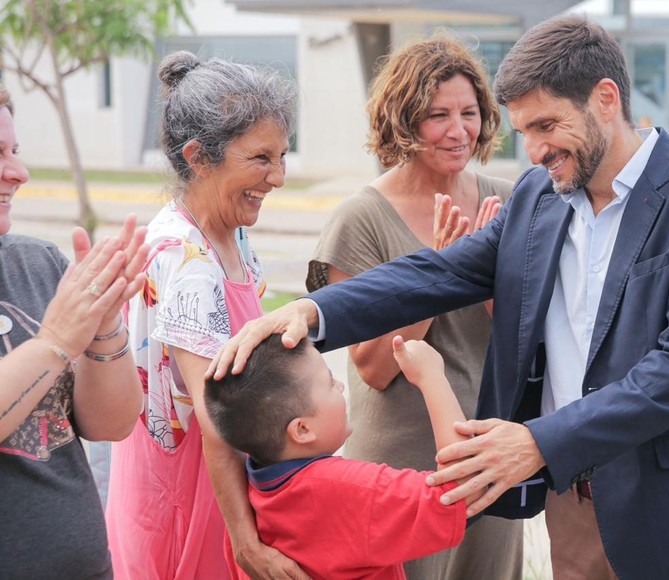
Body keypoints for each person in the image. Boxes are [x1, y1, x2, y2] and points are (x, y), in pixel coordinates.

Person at [210, 14, 669, 580]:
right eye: (524, 131)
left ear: (605, 99)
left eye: (546, 125)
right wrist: (313, 311)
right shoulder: (539, 196)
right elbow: (435, 274)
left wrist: (538, 442)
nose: (533, 151)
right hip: (572, 501)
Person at [305, 33, 522, 579]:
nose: (458, 131)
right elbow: (374, 369)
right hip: (402, 467)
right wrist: (439, 274)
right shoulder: (361, 218)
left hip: (489, 453)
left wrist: (493, 279)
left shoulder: (510, 201)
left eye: (469, 113)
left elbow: (522, 343)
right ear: (402, 121)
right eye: (437, 115)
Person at [104, 52, 306, 579]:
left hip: (214, 487)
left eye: (283, 156)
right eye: (261, 158)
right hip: (189, 502)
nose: (278, 177)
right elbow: (216, 416)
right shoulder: (188, 261)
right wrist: (247, 542)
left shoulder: (230, 233)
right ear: (198, 156)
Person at [0, 85, 147, 578]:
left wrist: (104, 325)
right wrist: (56, 341)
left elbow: (111, 425)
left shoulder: (37, 263)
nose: (19, 172)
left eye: (15, 151)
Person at [204, 335, 475, 579]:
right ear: (302, 429)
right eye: (329, 383)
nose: (341, 387)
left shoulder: (247, 497)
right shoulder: (348, 490)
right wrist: (431, 377)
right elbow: (458, 491)